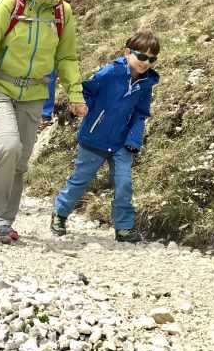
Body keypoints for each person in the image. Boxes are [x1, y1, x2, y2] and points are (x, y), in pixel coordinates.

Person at [0, 0, 87, 243]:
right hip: (2, 88)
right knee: (8, 146)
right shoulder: (10, 4)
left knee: (21, 161)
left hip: (35, 93)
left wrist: (75, 94)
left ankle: (4, 221)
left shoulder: (63, 13)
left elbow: (67, 57)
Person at [49, 30, 160, 243]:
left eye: (152, 59)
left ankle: (124, 228)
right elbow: (87, 91)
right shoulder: (110, 72)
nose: (146, 62)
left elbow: (140, 114)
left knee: (124, 183)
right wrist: (83, 108)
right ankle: (60, 214)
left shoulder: (146, 84)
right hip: (94, 138)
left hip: (122, 143)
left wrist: (134, 140)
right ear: (128, 52)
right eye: (142, 56)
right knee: (80, 180)